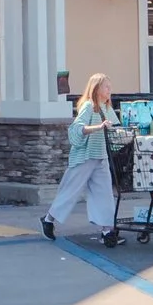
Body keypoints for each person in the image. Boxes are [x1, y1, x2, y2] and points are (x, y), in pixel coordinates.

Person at [43, 73, 122, 247]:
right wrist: (98, 127)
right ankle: (49, 219)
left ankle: (107, 231)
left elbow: (114, 129)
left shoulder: (107, 107)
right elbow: (78, 128)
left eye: (110, 86)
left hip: (100, 156)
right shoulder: (89, 106)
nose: (110, 90)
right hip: (84, 156)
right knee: (70, 190)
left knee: (104, 194)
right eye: (106, 87)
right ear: (97, 89)